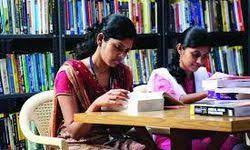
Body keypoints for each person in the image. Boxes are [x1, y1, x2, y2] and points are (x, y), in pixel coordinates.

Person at [50, 14, 154, 150]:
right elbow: (74, 132)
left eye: (127, 51)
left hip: (113, 138)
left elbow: (129, 117)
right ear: (100, 39)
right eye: (117, 47)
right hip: (77, 142)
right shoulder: (69, 74)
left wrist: (150, 143)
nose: (122, 56)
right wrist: (96, 105)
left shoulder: (123, 73)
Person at [147, 26, 243, 149]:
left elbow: (221, 87)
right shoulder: (161, 75)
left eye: (204, 56)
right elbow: (176, 99)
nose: (200, 61)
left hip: (203, 131)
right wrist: (210, 92)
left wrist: (234, 85)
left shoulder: (203, 73)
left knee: (238, 145)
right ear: (180, 49)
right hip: (172, 136)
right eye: (195, 54)